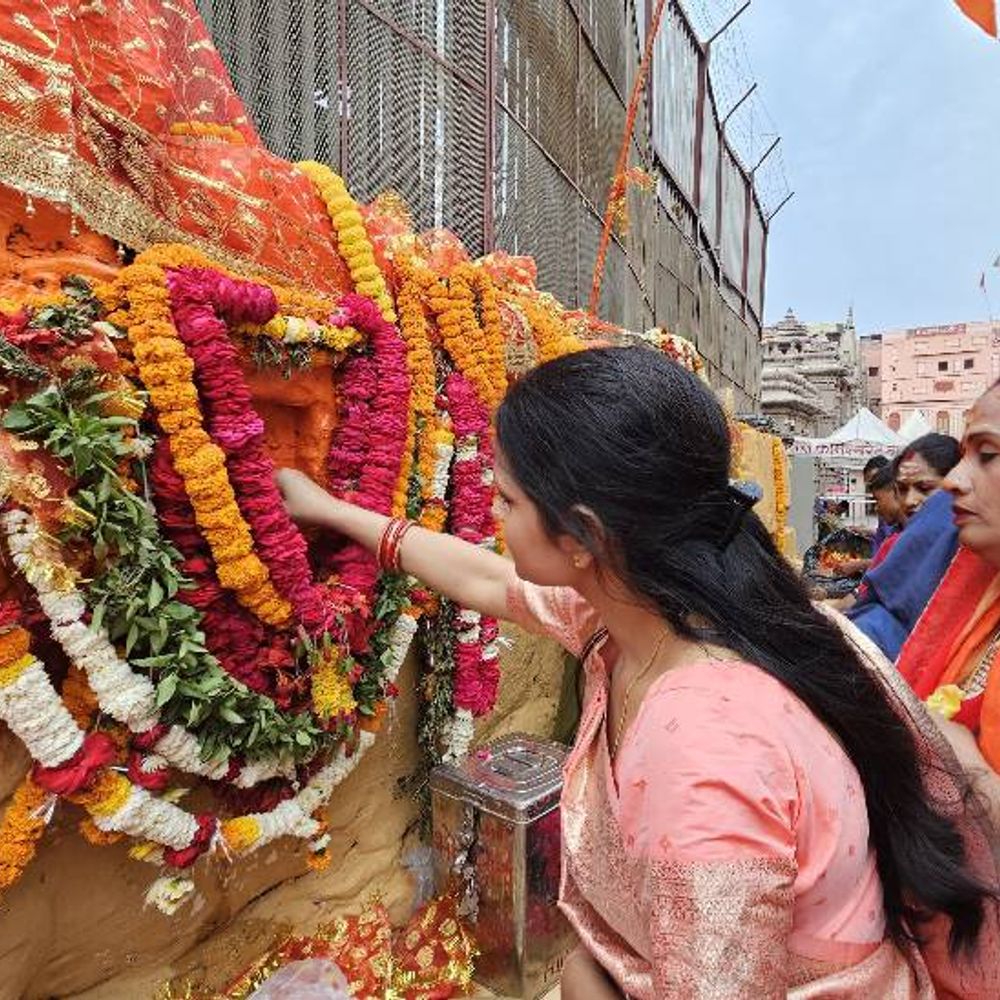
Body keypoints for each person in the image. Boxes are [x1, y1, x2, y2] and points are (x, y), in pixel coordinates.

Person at [277, 348, 997, 997]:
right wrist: (331, 511)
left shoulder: (704, 747)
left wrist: (590, 981)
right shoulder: (644, 612)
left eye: (508, 499)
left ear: (584, 535)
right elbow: (487, 580)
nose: (494, 516)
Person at [898, 380, 1000, 830]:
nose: (953, 482)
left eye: (988, 454)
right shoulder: (982, 598)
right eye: (962, 455)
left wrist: (967, 767)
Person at [845, 433, 962, 660]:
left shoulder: (971, 552)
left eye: (924, 488)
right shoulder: (897, 544)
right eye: (902, 489)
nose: (909, 501)